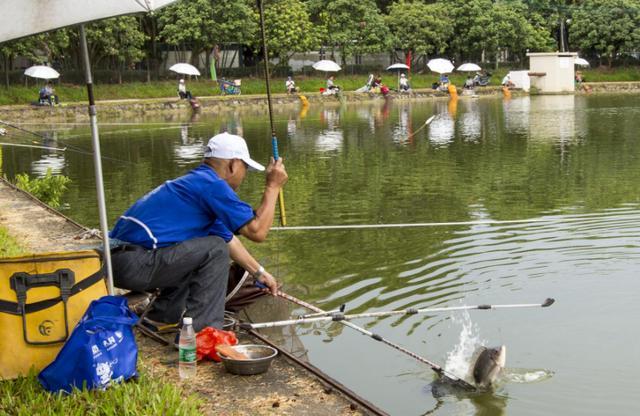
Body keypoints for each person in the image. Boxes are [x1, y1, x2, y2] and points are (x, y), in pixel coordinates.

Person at [109, 132, 288, 334]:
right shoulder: (213, 186)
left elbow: (227, 240)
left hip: (117, 262)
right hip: (135, 263)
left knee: (208, 245)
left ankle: (162, 317)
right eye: (245, 168)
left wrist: (259, 273)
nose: (244, 175)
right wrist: (273, 187)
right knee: (214, 249)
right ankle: (203, 334)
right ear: (233, 165)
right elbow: (257, 231)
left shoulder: (195, 183)